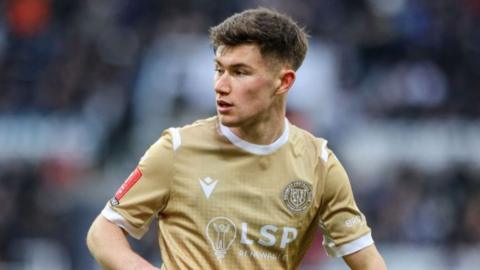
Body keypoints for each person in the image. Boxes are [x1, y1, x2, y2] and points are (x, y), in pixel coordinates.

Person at [86, 7, 387, 270]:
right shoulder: (177, 148)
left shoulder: (319, 164)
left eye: (240, 72)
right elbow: (103, 231)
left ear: (283, 82)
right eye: (219, 70)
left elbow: (368, 261)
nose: (220, 85)